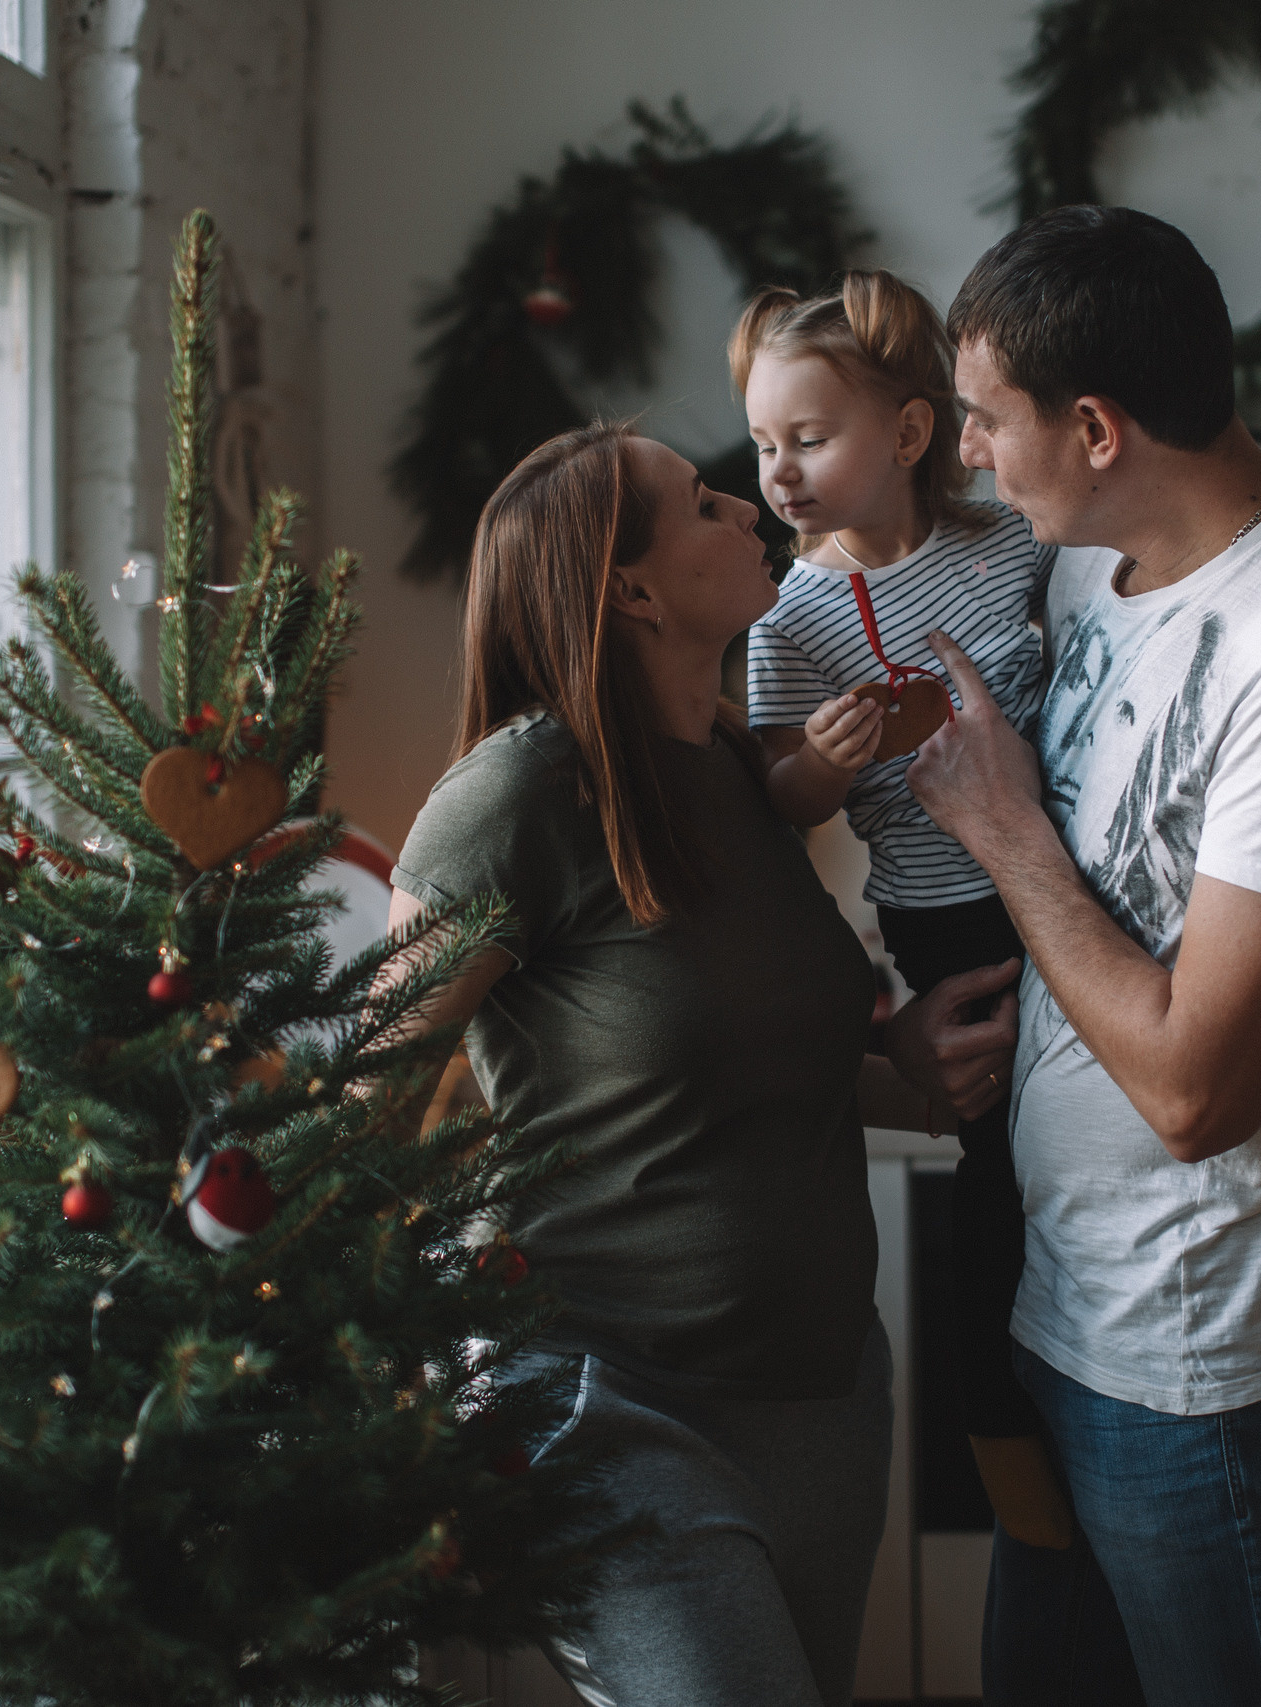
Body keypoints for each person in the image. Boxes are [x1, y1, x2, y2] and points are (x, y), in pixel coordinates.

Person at [902, 206, 1261, 1705]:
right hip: (1059, 1304)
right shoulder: (1091, 568)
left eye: (984, 419)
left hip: (1198, 1358)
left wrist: (1008, 832)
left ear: (1092, 426)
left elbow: (1200, 1091)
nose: (965, 453)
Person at [383, 422, 1013, 1707]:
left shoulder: (738, 768)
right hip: (609, 1404)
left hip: (826, 1399)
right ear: (632, 589)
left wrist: (917, 1073)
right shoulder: (514, 798)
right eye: (702, 502)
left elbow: (753, 1067)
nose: (751, 505)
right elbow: (370, 1090)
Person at [732, 270, 1070, 1550]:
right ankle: (1000, 1431)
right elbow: (780, 801)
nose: (779, 471)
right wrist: (820, 762)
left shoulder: (1010, 545)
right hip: (945, 915)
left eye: (808, 440)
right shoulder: (792, 620)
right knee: (998, 1167)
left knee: (1082, 1158)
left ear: (913, 433)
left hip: (1066, 887)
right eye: (764, 444)